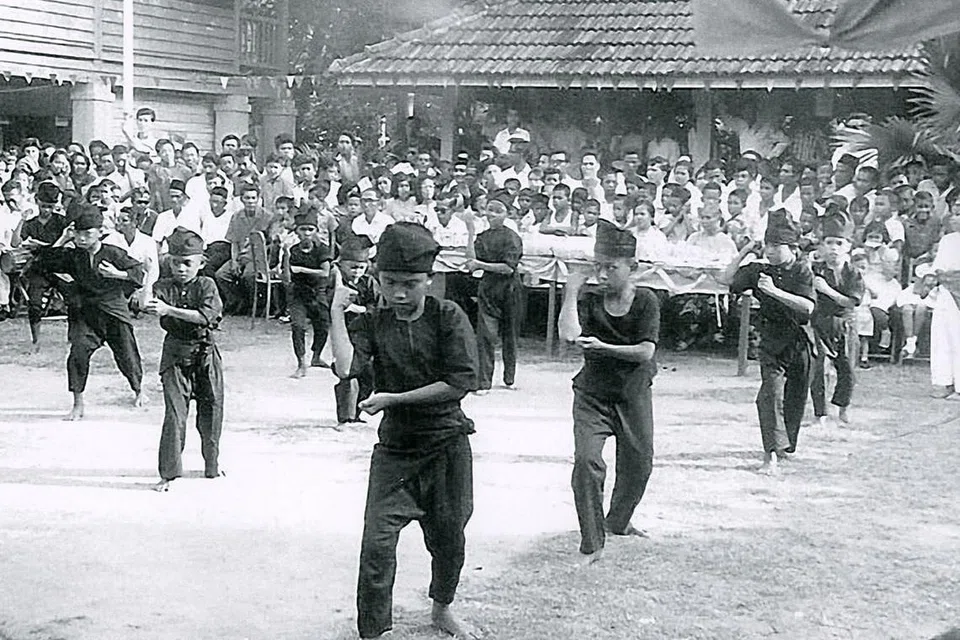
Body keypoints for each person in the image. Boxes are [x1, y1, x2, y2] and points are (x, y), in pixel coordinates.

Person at [329, 222, 481, 640]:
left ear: (428, 281)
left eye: (410, 284)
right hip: (396, 451)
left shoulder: (447, 316)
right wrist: (335, 314)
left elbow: (460, 382)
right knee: (377, 543)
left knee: (449, 536)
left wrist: (394, 399)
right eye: (390, 282)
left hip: (447, 446)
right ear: (377, 279)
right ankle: (374, 632)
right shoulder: (375, 322)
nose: (399, 293)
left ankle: (442, 609)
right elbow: (345, 368)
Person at [558, 220, 659, 565]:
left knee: (640, 465)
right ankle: (592, 543)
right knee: (587, 462)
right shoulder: (590, 299)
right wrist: (571, 289)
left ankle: (618, 521)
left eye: (611, 267)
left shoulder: (646, 301)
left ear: (633, 268)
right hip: (592, 395)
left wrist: (603, 346)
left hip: (633, 394)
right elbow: (569, 335)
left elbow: (646, 351)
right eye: (597, 267)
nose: (602, 275)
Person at [721, 210, 816, 475]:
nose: (770, 252)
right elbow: (726, 279)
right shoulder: (760, 269)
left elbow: (808, 307)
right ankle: (769, 453)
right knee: (770, 394)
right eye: (767, 246)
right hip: (772, 340)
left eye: (776, 247)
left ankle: (786, 446)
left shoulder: (802, 271)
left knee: (796, 397)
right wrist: (745, 252)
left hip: (801, 340)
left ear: (792, 248)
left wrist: (774, 291)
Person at [33, 206, 146, 420]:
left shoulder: (113, 252)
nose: (82, 239)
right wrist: (63, 238)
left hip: (112, 311)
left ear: (100, 232)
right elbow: (43, 264)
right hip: (85, 313)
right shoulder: (73, 255)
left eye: (88, 234)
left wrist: (118, 274)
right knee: (77, 354)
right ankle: (78, 404)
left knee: (127, 355)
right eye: (78, 233)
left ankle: (138, 390)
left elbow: (138, 272)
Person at [145, 227, 224, 492]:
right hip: (175, 356)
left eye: (188, 263)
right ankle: (168, 473)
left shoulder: (207, 285)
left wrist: (169, 310)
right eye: (176, 262)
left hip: (205, 354)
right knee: (175, 415)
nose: (181, 268)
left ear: (201, 263)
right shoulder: (162, 287)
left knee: (211, 411)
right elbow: (155, 307)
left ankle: (212, 466)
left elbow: (207, 317)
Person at [809, 217, 864, 427]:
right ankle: (819, 413)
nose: (834, 248)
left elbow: (851, 302)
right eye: (829, 242)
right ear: (822, 246)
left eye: (839, 243)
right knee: (820, 367)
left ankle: (843, 407)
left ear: (848, 246)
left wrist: (826, 290)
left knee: (847, 368)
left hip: (846, 323)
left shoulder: (853, 273)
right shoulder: (816, 269)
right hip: (821, 322)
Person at [466, 194, 523, 393]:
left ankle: (509, 378)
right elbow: (471, 262)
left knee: (510, 334)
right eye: (490, 209)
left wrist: (481, 265)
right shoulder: (482, 237)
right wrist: (470, 230)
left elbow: (508, 268)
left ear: (507, 214)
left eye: (498, 211)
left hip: (510, 289)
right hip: (488, 288)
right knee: (485, 336)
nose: (492, 214)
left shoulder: (512, 238)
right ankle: (483, 382)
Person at [330, 236, 379, 425]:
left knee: (369, 374)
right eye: (352, 267)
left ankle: (357, 412)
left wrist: (360, 309)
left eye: (361, 267)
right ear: (341, 265)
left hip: (365, 335)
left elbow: (376, 307)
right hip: (344, 334)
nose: (357, 272)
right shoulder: (334, 281)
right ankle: (346, 417)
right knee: (348, 374)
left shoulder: (368, 283)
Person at [286, 208, 332, 378]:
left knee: (323, 326)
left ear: (316, 231)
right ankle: (301, 363)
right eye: (303, 229)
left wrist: (301, 269)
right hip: (299, 293)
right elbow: (286, 274)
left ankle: (317, 356)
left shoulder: (322, 249)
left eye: (310, 229)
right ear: (297, 231)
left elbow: (325, 272)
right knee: (297, 326)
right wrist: (284, 255)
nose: (306, 233)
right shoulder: (293, 250)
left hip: (318, 292)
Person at [929, 208, 960, 399]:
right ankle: (944, 381)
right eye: (955, 213)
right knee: (943, 335)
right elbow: (938, 267)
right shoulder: (948, 240)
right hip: (947, 291)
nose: (955, 218)